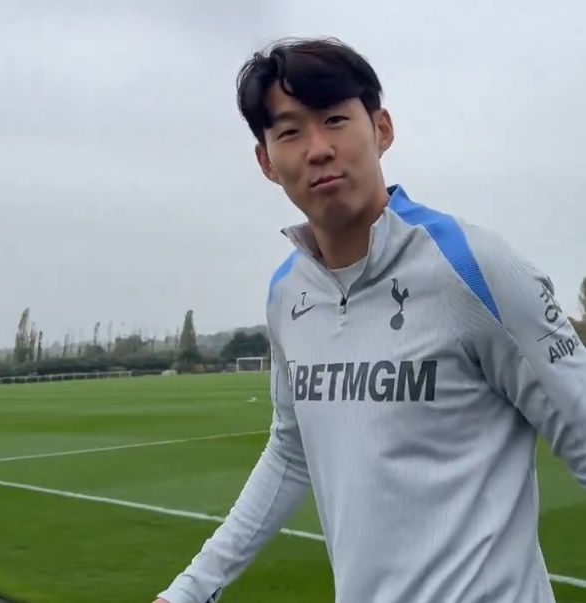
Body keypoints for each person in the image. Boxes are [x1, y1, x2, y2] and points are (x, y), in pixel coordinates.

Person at [153, 38, 586, 603]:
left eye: (335, 119)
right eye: (290, 131)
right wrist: (189, 591)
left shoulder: (473, 265)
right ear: (266, 162)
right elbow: (291, 451)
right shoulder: (288, 294)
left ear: (381, 129)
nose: (318, 149)